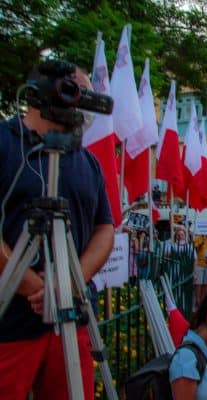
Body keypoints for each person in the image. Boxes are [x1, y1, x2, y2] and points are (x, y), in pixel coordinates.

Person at [0, 63, 115, 399]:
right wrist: (35, 287)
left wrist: (68, 284)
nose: (84, 105)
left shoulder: (87, 162)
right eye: (77, 93)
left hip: (71, 317)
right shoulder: (5, 144)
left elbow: (104, 228)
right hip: (10, 322)